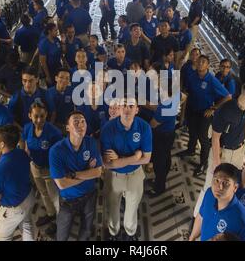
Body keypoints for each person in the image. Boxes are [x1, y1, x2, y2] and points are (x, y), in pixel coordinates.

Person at [198, 79, 245, 206]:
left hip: (238, 152)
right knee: (210, 187)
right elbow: (215, 138)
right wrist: (217, 163)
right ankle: (197, 217)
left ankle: (220, 209)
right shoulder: (225, 111)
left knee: (231, 183)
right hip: (223, 153)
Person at [101, 97, 152, 241]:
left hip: (135, 175)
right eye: (123, 105)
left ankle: (130, 233)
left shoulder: (144, 127)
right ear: (119, 108)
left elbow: (146, 158)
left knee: (132, 208)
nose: (127, 109)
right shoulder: (108, 128)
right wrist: (134, 158)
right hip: (114, 176)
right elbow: (108, 164)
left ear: (137, 109)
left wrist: (119, 159)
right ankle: (113, 233)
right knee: (112, 208)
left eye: (131, 106)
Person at [50, 111, 103, 241]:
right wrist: (88, 172)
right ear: (67, 127)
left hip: (89, 194)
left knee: (86, 228)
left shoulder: (91, 143)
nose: (80, 124)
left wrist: (73, 175)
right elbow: (62, 184)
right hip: (68, 199)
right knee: (62, 233)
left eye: (83, 121)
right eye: (76, 122)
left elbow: (97, 172)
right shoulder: (56, 151)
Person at [177, 55, 231, 177]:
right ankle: (190, 150)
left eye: (203, 62)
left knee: (203, 138)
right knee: (192, 131)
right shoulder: (192, 76)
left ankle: (203, 163)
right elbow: (188, 89)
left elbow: (228, 96)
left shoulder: (211, 80)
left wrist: (213, 108)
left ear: (207, 65)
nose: (200, 63)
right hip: (192, 109)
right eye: (199, 61)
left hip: (204, 113)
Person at [20, 101, 62, 235]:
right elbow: (25, 144)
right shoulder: (27, 128)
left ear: (46, 115)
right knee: (43, 193)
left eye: (42, 116)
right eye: (36, 116)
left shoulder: (54, 133)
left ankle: (61, 222)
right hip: (35, 167)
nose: (39, 120)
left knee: (55, 196)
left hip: (50, 170)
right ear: (29, 116)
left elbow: (60, 153)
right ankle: (51, 214)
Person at [0, 124, 35, 241]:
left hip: (14, 210)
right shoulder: (22, 153)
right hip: (29, 198)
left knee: (4, 237)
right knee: (27, 224)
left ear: (2, 144)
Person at [189, 163, 245, 241]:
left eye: (226, 183)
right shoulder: (209, 193)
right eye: (216, 180)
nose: (219, 187)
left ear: (235, 187)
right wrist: (192, 237)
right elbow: (201, 216)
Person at [146, 77, 177, 197]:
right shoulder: (173, 99)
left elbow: (153, 124)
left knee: (159, 162)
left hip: (161, 136)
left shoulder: (164, 107)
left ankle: (159, 187)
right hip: (170, 133)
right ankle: (162, 177)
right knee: (166, 157)